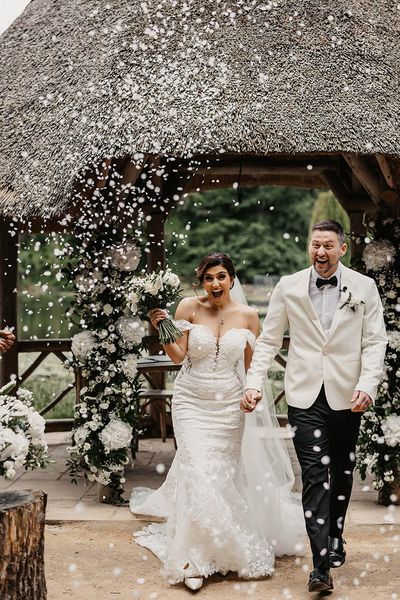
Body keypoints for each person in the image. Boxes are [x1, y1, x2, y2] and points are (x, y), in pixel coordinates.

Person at [130, 252, 305, 590]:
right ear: (201, 281)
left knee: (222, 475)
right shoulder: (187, 308)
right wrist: (162, 329)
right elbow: (179, 356)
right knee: (197, 469)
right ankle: (192, 559)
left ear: (232, 279)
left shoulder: (249, 316)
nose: (215, 284)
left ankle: (223, 546)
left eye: (221, 276)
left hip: (229, 406)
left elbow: (255, 366)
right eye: (209, 278)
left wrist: (252, 393)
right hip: (191, 401)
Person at [242, 220, 387, 593]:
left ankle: (335, 535)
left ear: (342, 249)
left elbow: (374, 343)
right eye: (314, 245)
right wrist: (254, 383)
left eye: (327, 246)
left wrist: (368, 385)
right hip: (304, 396)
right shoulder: (288, 286)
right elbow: (269, 340)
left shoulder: (364, 287)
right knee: (314, 475)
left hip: (347, 398)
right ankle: (320, 565)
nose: (320, 252)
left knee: (340, 473)